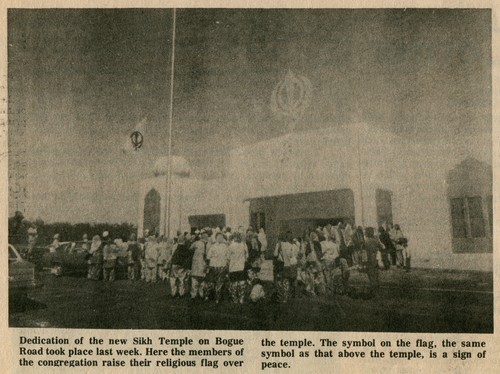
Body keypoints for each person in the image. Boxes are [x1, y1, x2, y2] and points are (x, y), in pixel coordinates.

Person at [274, 231, 299, 303]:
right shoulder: (294, 246)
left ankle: (284, 297)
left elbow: (275, 255)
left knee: (284, 281)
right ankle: (292, 296)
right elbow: (295, 256)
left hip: (283, 265)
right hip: (292, 265)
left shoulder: (280, 244)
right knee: (292, 280)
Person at [205, 233, 229, 303]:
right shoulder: (220, 246)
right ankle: (212, 297)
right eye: (219, 237)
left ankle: (212, 297)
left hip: (218, 265)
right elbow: (228, 257)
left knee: (215, 282)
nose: (220, 238)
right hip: (217, 266)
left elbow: (208, 257)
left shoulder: (220, 246)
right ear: (216, 238)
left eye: (221, 237)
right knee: (216, 282)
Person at [227, 232, 248, 304]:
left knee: (234, 283)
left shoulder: (231, 245)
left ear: (233, 238)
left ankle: (234, 299)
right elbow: (247, 256)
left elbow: (228, 257)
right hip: (242, 266)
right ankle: (241, 298)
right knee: (242, 283)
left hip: (233, 267)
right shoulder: (244, 244)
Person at [364, 227, 383, 296]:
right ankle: (376, 287)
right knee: (375, 273)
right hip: (375, 258)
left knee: (371, 274)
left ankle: (373, 289)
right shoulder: (375, 240)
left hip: (369, 258)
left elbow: (364, 251)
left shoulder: (366, 241)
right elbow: (382, 247)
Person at [190, 233, 209, 300]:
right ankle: (201, 294)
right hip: (203, 263)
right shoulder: (207, 244)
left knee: (194, 279)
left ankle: (193, 295)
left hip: (195, 263)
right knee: (202, 280)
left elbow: (190, 248)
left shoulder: (196, 243)